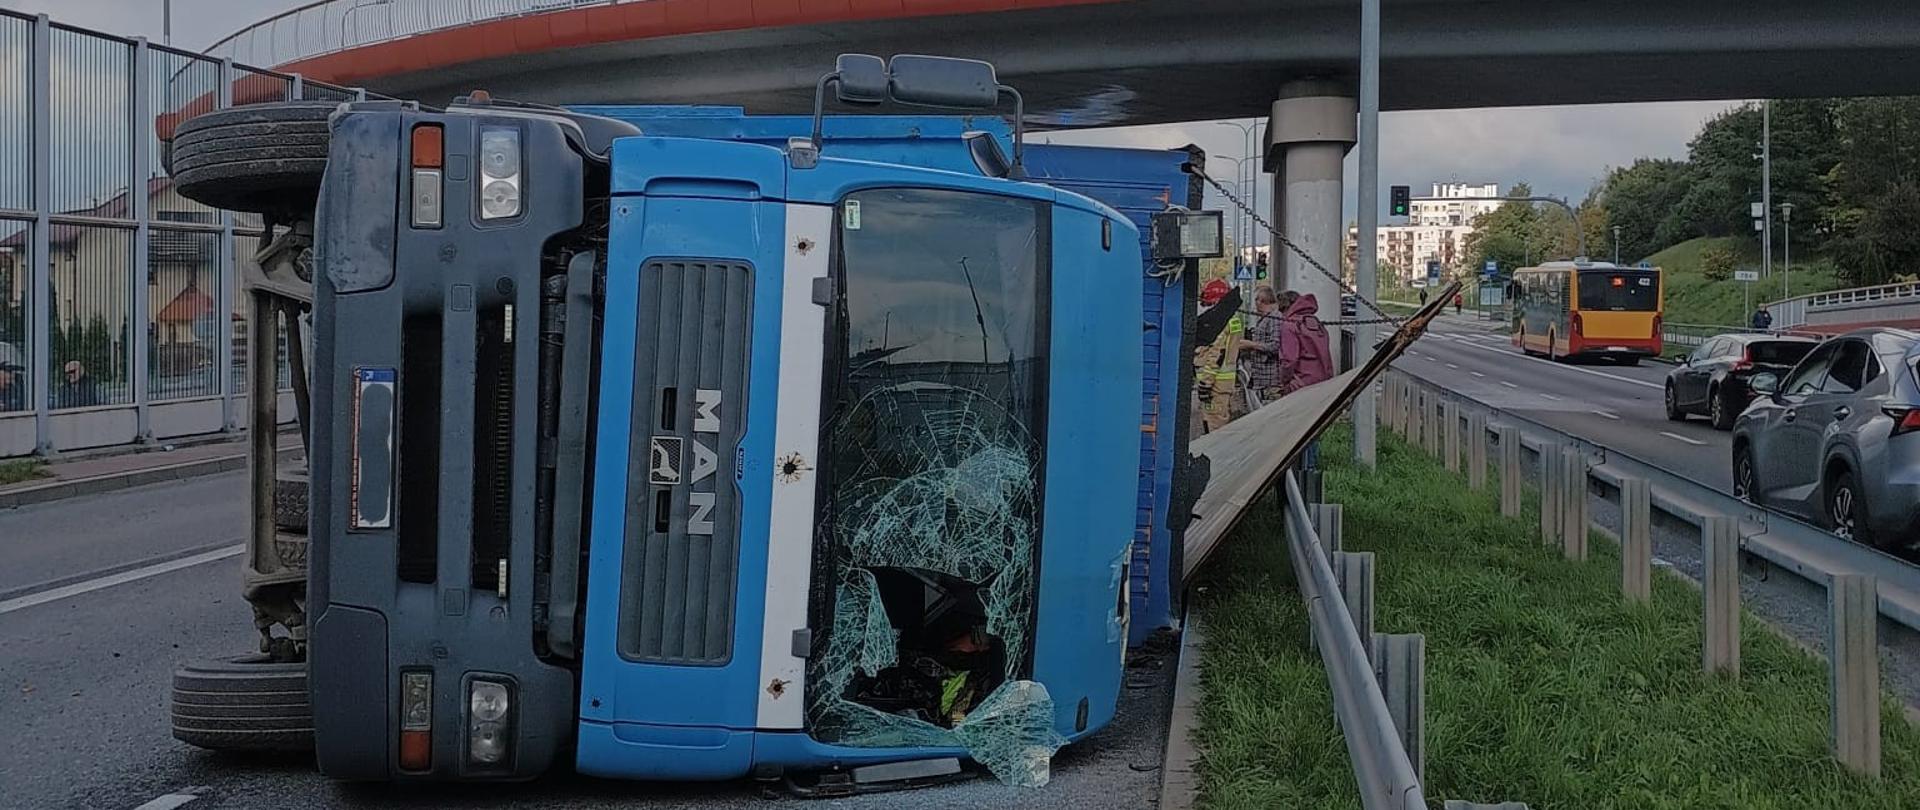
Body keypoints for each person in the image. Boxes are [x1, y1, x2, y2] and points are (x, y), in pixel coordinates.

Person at [1193, 279, 1242, 433]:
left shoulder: (1222, 322)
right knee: (1214, 423)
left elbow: (1216, 355)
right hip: (1221, 385)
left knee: (1214, 429)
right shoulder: (1233, 320)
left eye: (1208, 304)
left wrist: (1205, 384)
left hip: (1214, 386)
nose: (1206, 309)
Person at [1237, 286, 1285, 415]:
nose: (1255, 304)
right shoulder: (1265, 319)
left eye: (1256, 300)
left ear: (1261, 300)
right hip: (1262, 379)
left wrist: (1251, 344)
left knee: (1271, 414)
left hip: (1270, 379)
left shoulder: (1275, 318)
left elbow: (1276, 346)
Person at [1277, 291, 1334, 395]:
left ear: (1285, 308)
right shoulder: (1316, 323)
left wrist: (1284, 381)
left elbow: (1290, 360)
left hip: (1301, 383)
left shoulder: (1289, 325)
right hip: (1323, 381)